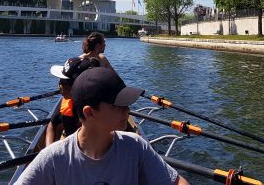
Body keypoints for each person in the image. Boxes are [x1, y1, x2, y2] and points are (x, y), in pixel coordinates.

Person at [15, 67, 189, 185]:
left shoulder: (136, 146)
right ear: (89, 112)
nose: (127, 110)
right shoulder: (53, 158)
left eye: (127, 104)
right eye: (118, 105)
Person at [46, 56, 99, 146]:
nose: (58, 86)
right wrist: (48, 149)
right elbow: (52, 124)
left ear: (75, 87)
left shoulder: (99, 108)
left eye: (62, 82)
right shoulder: (68, 103)